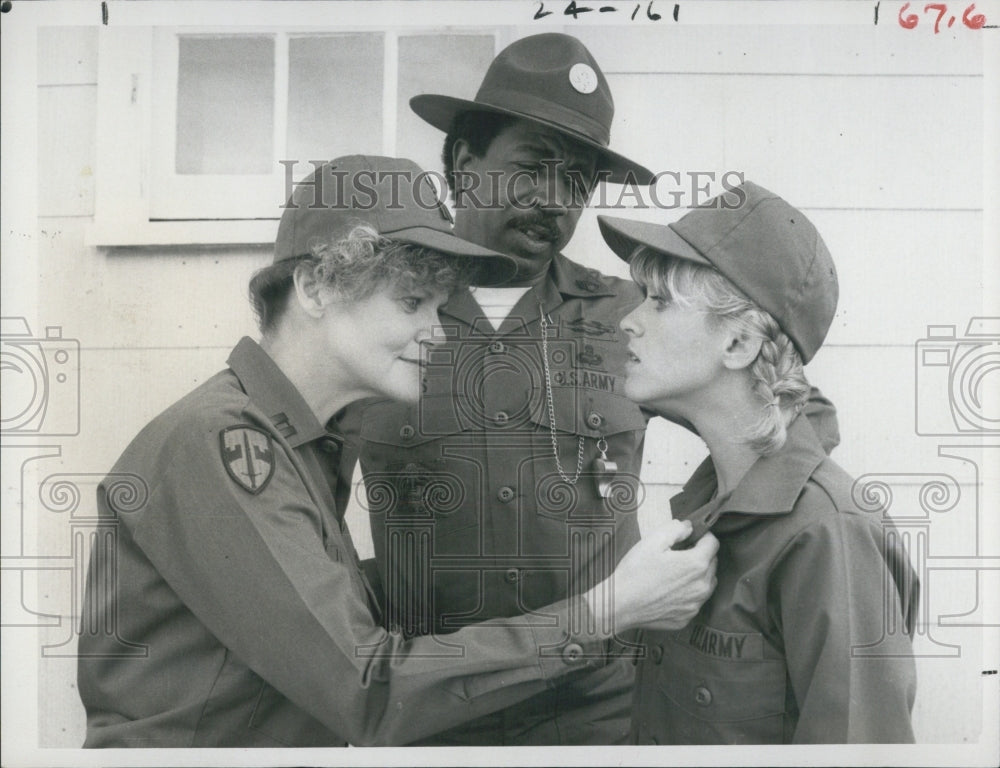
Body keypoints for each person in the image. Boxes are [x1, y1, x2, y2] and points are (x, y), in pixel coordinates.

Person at [75, 155, 719, 748]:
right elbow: (367, 689)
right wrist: (608, 609)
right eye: (412, 302)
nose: (437, 334)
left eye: (440, 307)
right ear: (316, 287)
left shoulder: (296, 439)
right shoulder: (222, 444)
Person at [353, 33, 837, 745]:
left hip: (601, 715)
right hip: (432, 713)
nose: (554, 199)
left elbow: (793, 412)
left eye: (577, 179)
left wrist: (713, 548)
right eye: (531, 167)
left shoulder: (628, 318)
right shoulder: (382, 324)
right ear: (463, 162)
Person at [598, 181, 918, 744]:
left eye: (660, 300)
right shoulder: (706, 508)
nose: (629, 320)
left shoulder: (828, 533)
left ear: (739, 346)